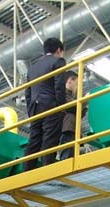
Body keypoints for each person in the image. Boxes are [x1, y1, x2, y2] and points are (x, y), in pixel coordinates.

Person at [23, 37, 66, 171]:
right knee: (50, 137)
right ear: (58, 50)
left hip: (35, 108)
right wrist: (61, 106)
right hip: (50, 105)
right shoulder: (58, 61)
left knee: (34, 139)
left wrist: (31, 111)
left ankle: (27, 170)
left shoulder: (32, 68)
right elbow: (59, 86)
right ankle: (47, 169)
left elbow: (28, 92)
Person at [58, 71, 86, 161]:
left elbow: (79, 112)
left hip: (72, 128)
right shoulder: (62, 94)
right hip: (68, 129)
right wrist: (84, 100)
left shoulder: (70, 96)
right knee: (67, 155)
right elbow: (72, 107)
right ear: (70, 81)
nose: (78, 87)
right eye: (77, 83)